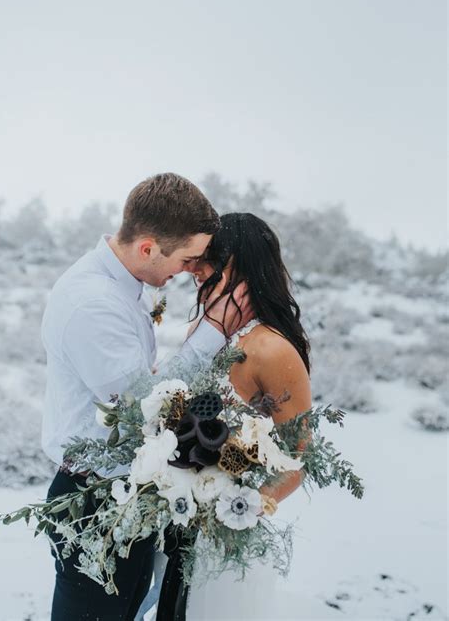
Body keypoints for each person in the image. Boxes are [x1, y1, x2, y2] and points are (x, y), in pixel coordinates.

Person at [40, 174, 254, 621]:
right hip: (93, 498)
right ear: (148, 248)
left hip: (121, 489)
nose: (192, 269)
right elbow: (146, 408)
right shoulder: (93, 304)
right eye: (189, 257)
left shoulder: (119, 287)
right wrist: (214, 330)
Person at [183, 212, 313, 620]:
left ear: (243, 266)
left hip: (226, 541)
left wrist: (241, 509)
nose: (195, 269)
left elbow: (298, 460)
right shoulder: (203, 334)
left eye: (210, 259)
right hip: (178, 526)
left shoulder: (272, 351)